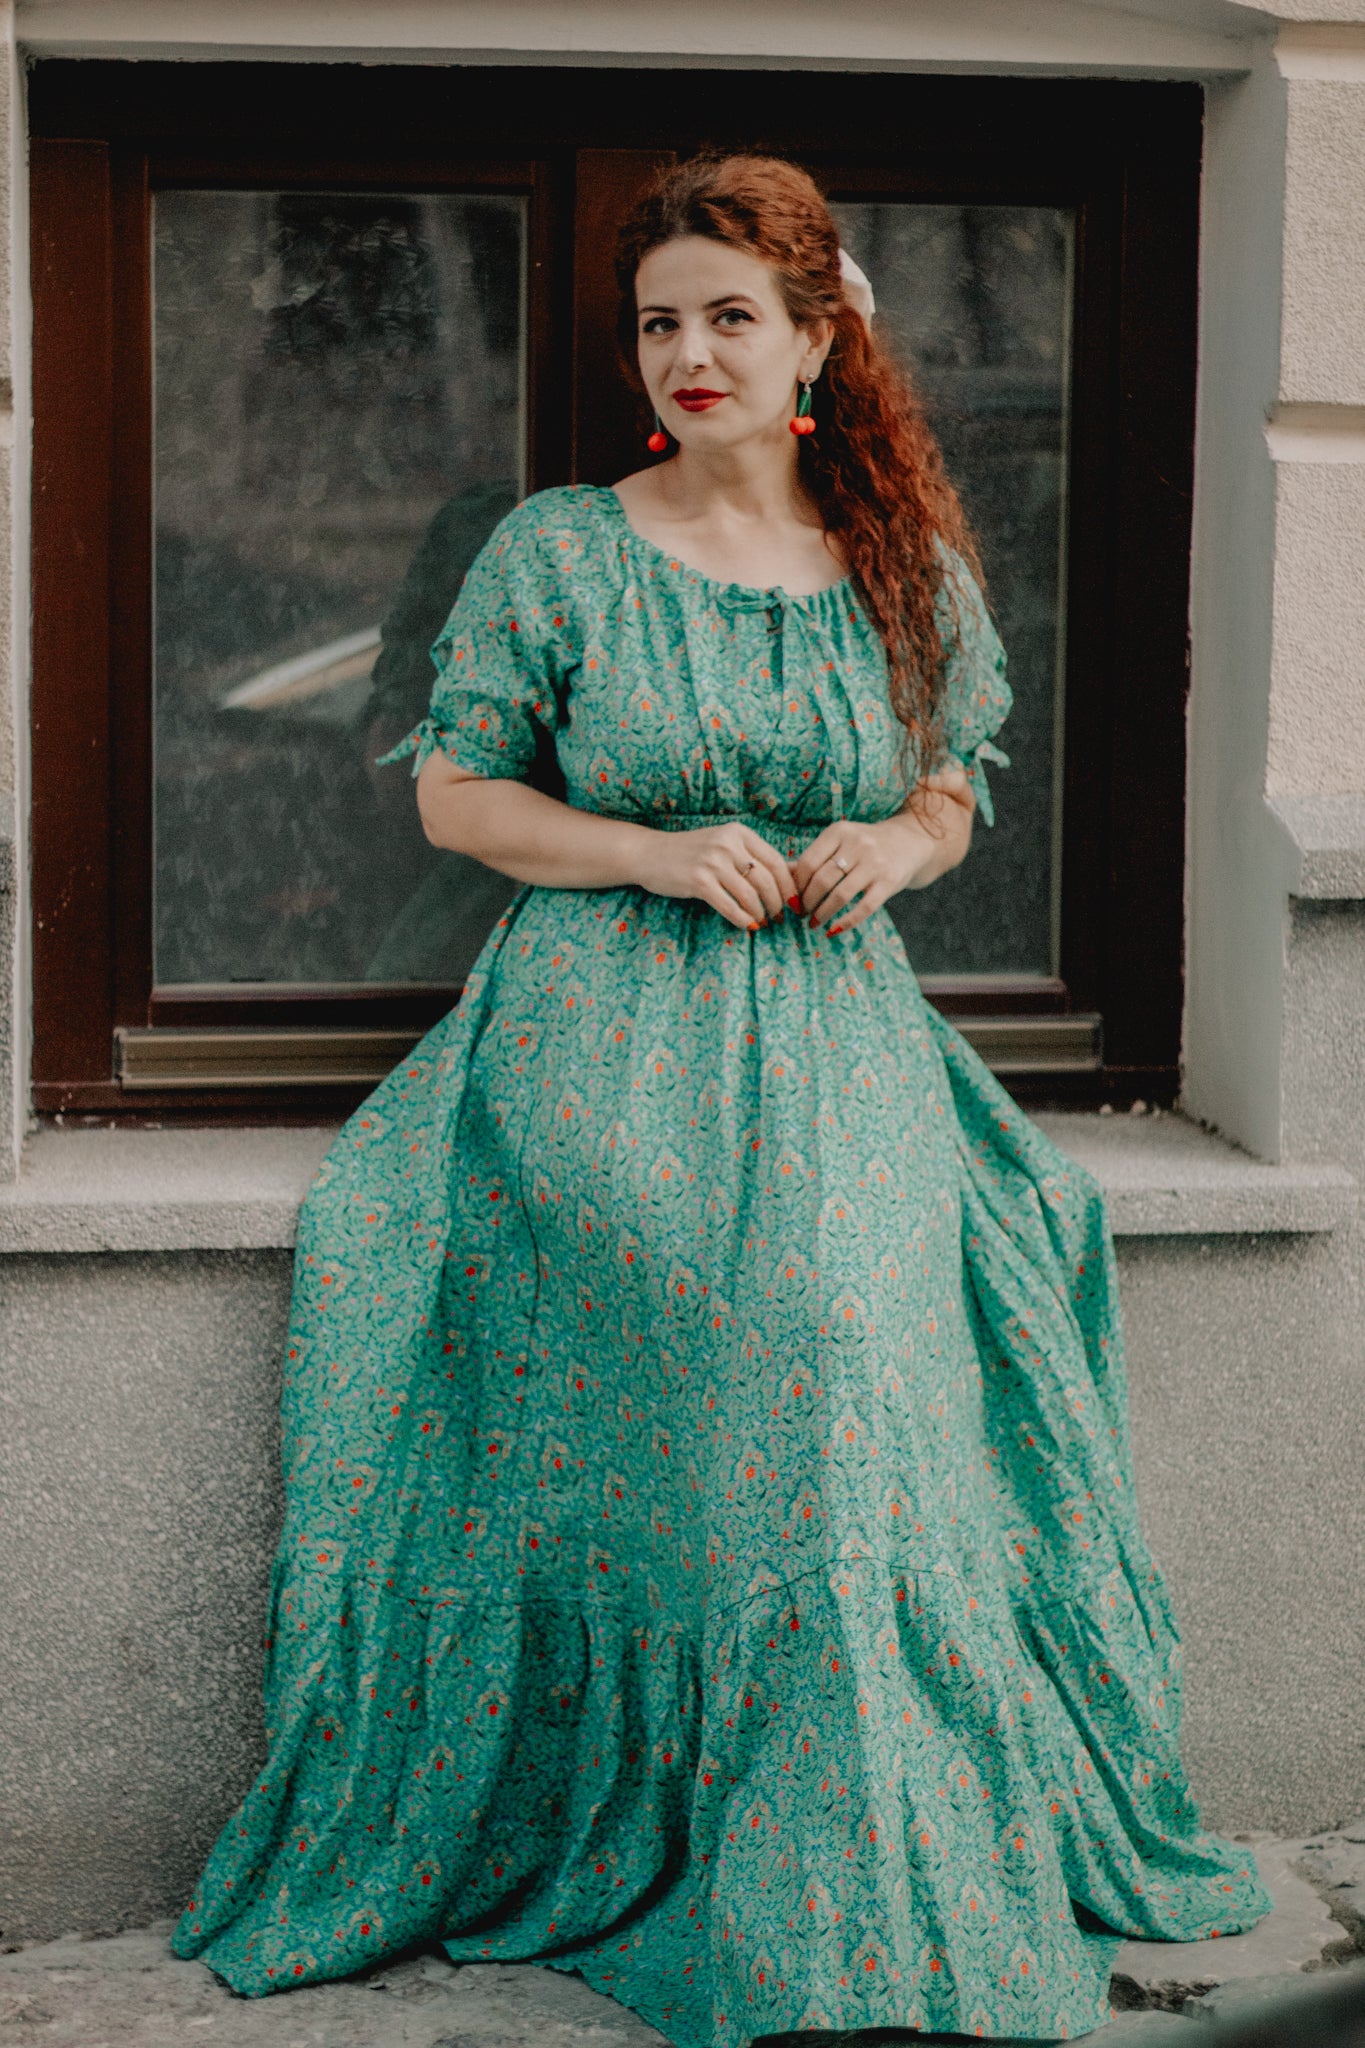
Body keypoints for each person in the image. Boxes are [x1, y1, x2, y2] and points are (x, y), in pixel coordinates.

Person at [170, 153, 1272, 2045]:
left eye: (730, 317)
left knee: (853, 1365)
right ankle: (692, 1843)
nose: (689, 352)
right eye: (659, 322)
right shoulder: (559, 552)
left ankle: (868, 1891)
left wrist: (895, 846)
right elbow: (454, 793)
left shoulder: (903, 564)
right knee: (744, 1368)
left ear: (818, 341)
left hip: (842, 1042)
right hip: (598, 1042)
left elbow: (954, 784)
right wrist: (653, 851)